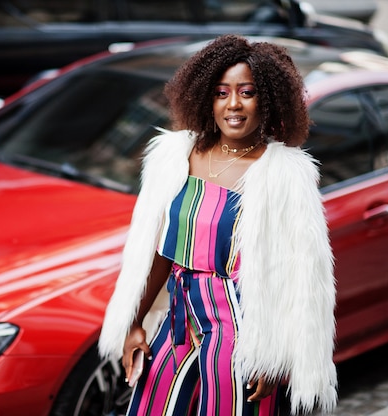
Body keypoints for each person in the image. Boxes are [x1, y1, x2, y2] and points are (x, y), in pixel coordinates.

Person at [98, 34, 337, 416]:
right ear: (205, 97)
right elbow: (160, 249)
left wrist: (274, 354)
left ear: (269, 100)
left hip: (241, 326)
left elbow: (302, 277)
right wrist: (135, 321)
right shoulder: (175, 156)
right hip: (178, 317)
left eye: (247, 92)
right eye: (222, 92)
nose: (234, 104)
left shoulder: (285, 175)